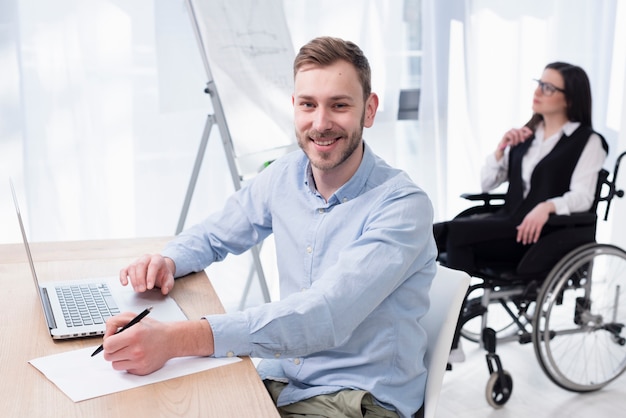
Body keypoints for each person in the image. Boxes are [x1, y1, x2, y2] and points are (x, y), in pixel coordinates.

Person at [102, 36, 436, 418]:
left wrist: (175, 339)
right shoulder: (286, 174)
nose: (321, 123)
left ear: (369, 110)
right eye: (308, 105)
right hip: (285, 377)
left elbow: (322, 316)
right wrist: (168, 260)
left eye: (340, 105)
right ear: (294, 107)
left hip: (356, 397)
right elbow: (215, 233)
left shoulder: (402, 205)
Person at [434, 61, 608, 276]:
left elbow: (583, 196)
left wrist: (547, 207)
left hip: (538, 236)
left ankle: (452, 305)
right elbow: (487, 183)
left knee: (451, 234)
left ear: (569, 99)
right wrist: (501, 149)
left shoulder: (587, 142)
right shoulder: (527, 136)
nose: (538, 91)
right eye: (539, 83)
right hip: (507, 223)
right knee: (446, 235)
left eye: (548, 88)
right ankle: (451, 300)